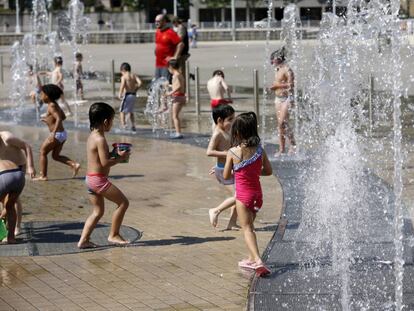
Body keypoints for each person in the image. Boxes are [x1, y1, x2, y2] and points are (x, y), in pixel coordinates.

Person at [223, 112, 273, 277]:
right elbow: (268, 171)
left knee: (247, 229)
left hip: (243, 197)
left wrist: (238, 172)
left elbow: (225, 176)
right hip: (257, 195)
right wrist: (253, 173)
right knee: (250, 226)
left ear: (237, 132)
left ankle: (258, 261)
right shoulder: (260, 150)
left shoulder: (233, 152)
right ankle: (251, 258)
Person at [78, 102, 130, 248]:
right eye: (112, 121)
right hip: (98, 181)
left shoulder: (92, 136)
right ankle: (113, 235)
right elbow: (105, 163)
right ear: (106, 121)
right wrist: (120, 158)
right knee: (123, 203)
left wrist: (114, 153)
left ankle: (83, 240)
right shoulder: (100, 139)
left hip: (90, 179)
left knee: (97, 211)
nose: (112, 124)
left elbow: (100, 158)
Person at [33, 84, 80, 181]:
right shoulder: (55, 104)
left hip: (57, 134)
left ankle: (43, 176)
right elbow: (63, 116)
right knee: (55, 156)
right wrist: (49, 121)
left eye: (42, 94)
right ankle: (74, 164)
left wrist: (53, 133)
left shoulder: (51, 106)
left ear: (47, 96)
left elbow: (59, 118)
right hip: (62, 134)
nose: (40, 96)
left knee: (43, 152)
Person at [207, 104, 239, 230]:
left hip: (230, 168)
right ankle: (215, 210)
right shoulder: (217, 134)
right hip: (222, 169)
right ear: (219, 120)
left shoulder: (226, 131)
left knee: (238, 195)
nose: (233, 122)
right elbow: (209, 152)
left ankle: (232, 223)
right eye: (230, 119)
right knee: (239, 195)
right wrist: (227, 153)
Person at [0, 131, 35, 235]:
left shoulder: (8, 138)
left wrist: (30, 166)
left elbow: (27, 146)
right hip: (4, 168)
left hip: (19, 166)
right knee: (3, 198)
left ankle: (17, 226)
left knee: (15, 199)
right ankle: (5, 224)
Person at [269, 47, 296, 156]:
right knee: (281, 125)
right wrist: (274, 87)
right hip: (278, 99)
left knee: (282, 123)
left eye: (273, 59)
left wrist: (277, 85)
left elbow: (291, 85)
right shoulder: (277, 69)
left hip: (287, 99)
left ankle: (293, 145)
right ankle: (282, 149)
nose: (271, 62)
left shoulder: (287, 69)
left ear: (279, 59)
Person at [0, 160, 25, 244]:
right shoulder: (5, 161)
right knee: (10, 207)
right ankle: (11, 238)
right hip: (19, 175)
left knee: (8, 207)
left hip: (4, 176)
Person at [154, 14, 184, 81]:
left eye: (158, 21)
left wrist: (175, 57)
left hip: (167, 65)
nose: (156, 23)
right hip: (158, 63)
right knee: (157, 85)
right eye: (155, 21)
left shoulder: (170, 32)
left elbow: (181, 44)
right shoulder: (157, 31)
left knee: (166, 85)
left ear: (164, 21)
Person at [118, 62, 142, 132]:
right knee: (130, 111)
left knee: (122, 111)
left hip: (127, 95)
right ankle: (133, 125)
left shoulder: (124, 76)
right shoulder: (133, 75)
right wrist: (136, 89)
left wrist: (120, 93)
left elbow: (122, 85)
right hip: (133, 95)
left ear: (123, 70)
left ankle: (123, 125)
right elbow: (140, 83)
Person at [166, 59, 186, 139]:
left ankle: (178, 133)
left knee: (174, 116)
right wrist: (170, 86)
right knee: (175, 115)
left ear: (171, 67)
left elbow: (178, 87)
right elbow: (177, 85)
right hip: (181, 96)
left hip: (178, 97)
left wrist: (169, 93)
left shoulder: (176, 75)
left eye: (168, 68)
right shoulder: (180, 74)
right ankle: (178, 131)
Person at [172, 17, 190, 84]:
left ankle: (182, 88)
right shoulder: (182, 27)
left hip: (181, 52)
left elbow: (180, 40)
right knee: (180, 71)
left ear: (175, 22)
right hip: (181, 52)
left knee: (181, 72)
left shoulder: (181, 28)